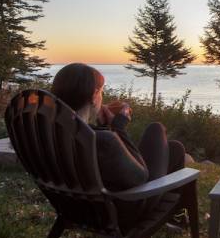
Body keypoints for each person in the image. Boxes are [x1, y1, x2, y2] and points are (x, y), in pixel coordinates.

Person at [50, 63, 186, 192]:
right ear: (93, 96)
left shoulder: (52, 130)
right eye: (101, 92)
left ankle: (179, 215)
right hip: (127, 204)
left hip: (77, 201)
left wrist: (104, 126)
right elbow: (140, 176)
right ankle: (177, 215)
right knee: (156, 129)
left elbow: (103, 161)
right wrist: (118, 127)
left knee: (175, 149)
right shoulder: (102, 140)